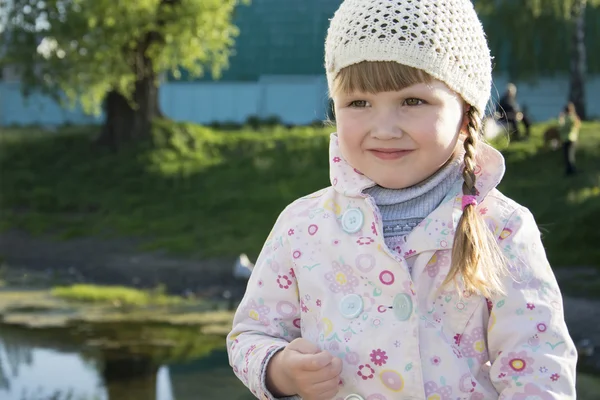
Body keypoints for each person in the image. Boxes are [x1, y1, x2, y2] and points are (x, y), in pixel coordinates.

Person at [227, 1, 577, 399]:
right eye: (358, 103)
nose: (385, 128)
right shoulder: (302, 226)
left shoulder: (501, 227)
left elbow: (538, 368)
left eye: (412, 101)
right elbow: (250, 334)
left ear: (466, 113)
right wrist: (280, 369)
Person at [558, 102, 581, 175]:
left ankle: (570, 170)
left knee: (568, 156)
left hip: (567, 139)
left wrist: (561, 119)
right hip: (573, 138)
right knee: (570, 155)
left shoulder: (567, 118)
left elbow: (562, 127)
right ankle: (571, 169)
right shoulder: (574, 117)